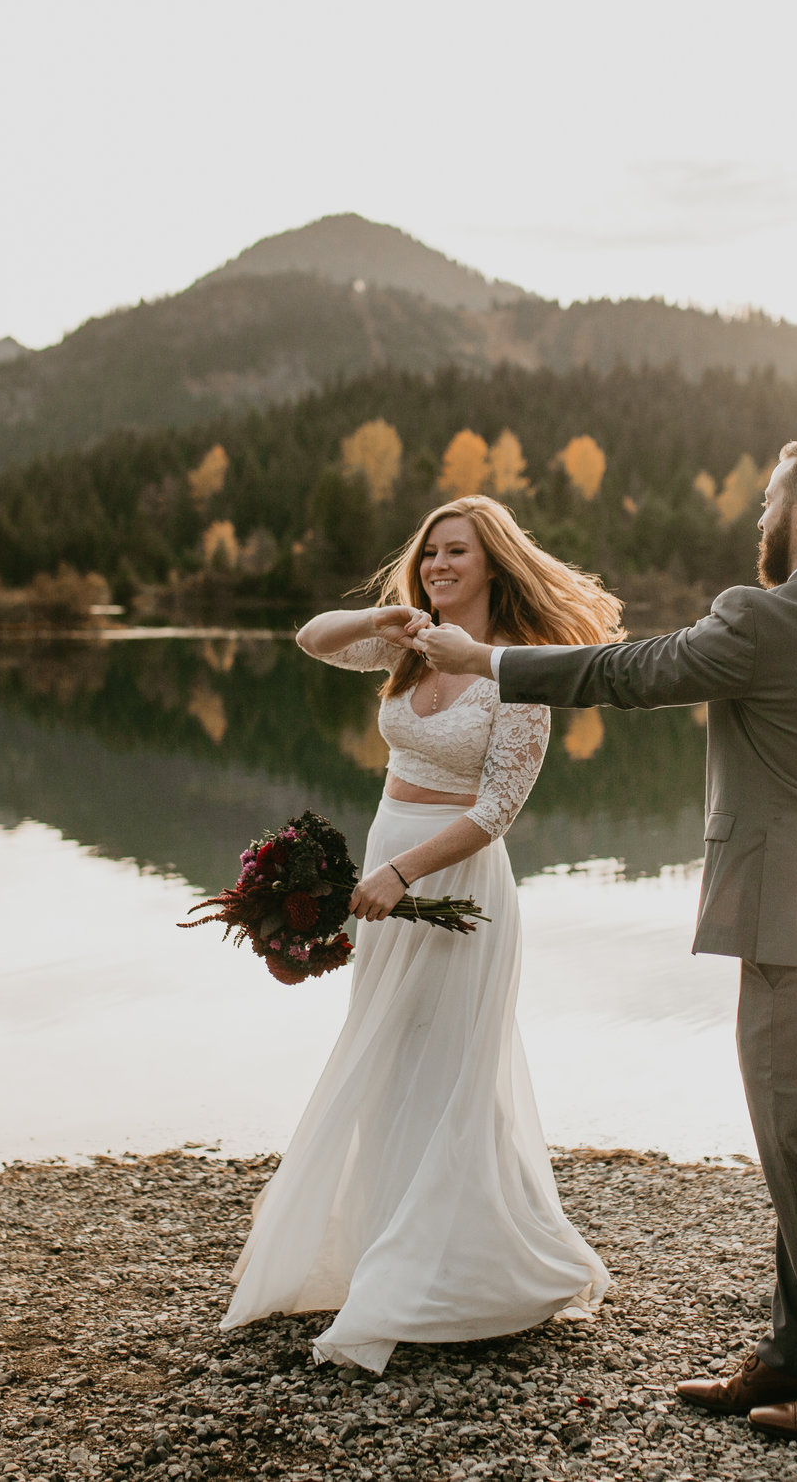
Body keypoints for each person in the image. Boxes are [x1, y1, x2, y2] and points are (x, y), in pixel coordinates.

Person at [416, 435, 797, 1444]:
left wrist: (487, 659)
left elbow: (632, 670)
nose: (756, 512)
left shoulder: (765, 616)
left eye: (766, 493)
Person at [221, 494, 626, 1373]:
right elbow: (311, 639)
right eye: (432, 552)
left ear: (494, 566)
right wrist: (382, 613)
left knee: (449, 1064)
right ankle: (383, 1246)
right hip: (383, 865)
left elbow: (498, 810)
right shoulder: (406, 645)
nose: (440, 565)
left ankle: (447, 1272)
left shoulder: (515, 671)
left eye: (458, 554)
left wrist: (405, 874)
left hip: (453, 883)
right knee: (393, 1052)